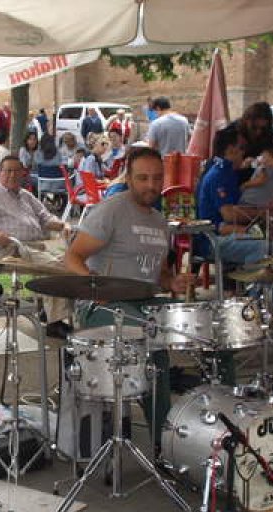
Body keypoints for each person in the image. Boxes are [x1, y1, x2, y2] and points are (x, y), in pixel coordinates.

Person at [63, 146, 193, 442]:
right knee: (152, 340)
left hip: (143, 302)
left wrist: (172, 283)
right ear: (129, 178)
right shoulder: (112, 210)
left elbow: (156, 274)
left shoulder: (161, 223)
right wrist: (95, 287)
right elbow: (72, 257)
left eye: (157, 178)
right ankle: (164, 441)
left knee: (209, 335)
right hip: (101, 306)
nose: (151, 185)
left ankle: (213, 425)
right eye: (143, 178)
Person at [0, 155, 71, 332]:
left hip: (36, 246)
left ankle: (50, 309)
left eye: (17, 171)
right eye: (8, 171)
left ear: (23, 174)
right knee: (55, 267)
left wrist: (65, 225)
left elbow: (46, 218)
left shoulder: (26, 195)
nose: (13, 175)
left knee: (71, 262)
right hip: (12, 249)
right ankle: (55, 322)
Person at [198, 128, 273, 308]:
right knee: (261, 246)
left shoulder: (228, 171)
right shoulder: (218, 174)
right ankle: (253, 307)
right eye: (241, 148)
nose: (244, 153)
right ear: (231, 150)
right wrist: (264, 213)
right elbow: (229, 214)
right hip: (213, 238)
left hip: (230, 231)